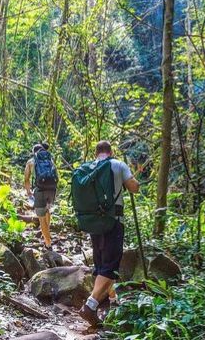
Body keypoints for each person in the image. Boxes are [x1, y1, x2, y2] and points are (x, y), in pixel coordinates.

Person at [78, 140, 139, 327]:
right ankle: (91, 304)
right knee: (111, 267)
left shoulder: (89, 167)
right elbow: (134, 188)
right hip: (113, 222)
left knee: (101, 263)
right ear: (110, 152)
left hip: (94, 223)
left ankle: (110, 300)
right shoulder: (117, 164)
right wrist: (134, 178)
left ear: (96, 153)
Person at [24, 142, 58, 250]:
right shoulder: (50, 160)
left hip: (40, 191)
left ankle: (48, 244)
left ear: (34, 152)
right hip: (51, 190)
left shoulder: (31, 161)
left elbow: (26, 179)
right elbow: (56, 175)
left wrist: (29, 192)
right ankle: (48, 234)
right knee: (47, 211)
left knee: (41, 218)